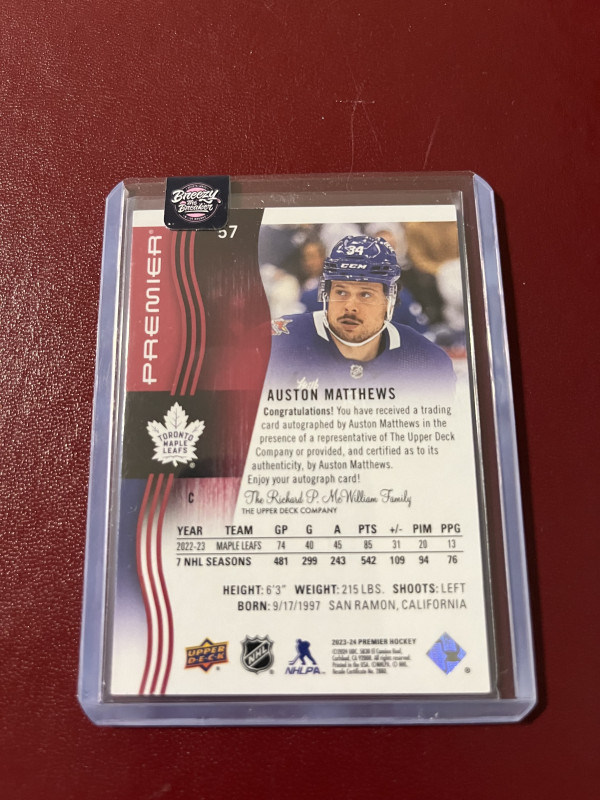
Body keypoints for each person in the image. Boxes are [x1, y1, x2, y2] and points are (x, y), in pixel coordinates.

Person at [266, 235, 455, 393]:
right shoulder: (277, 343)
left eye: (365, 294)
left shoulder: (428, 363)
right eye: (341, 292)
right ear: (326, 294)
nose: (350, 307)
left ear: (388, 301)